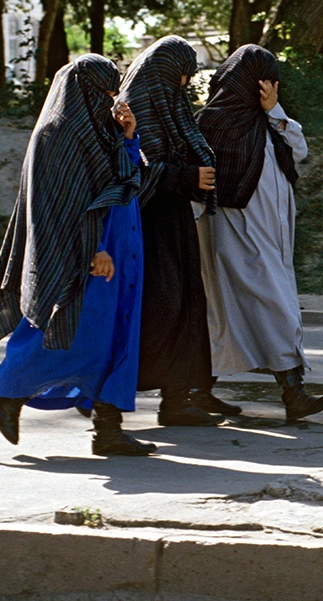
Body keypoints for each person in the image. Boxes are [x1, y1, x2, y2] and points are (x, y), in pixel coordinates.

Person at [0, 55, 155, 456]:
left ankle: (108, 429)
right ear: (84, 90)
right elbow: (55, 205)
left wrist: (129, 137)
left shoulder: (102, 130)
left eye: (114, 94)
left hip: (121, 245)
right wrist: (93, 248)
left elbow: (128, 178)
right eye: (106, 93)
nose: (112, 102)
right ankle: (9, 389)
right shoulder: (57, 134)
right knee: (67, 333)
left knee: (116, 336)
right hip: (84, 251)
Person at [193, 44, 323, 421]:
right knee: (266, 308)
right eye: (266, 81)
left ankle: (197, 392)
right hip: (234, 234)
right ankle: (292, 393)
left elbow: (298, 151)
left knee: (241, 312)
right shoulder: (211, 123)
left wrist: (275, 112)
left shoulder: (268, 123)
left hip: (270, 236)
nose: (272, 88)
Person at [118, 36, 222, 427]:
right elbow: (133, 172)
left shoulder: (169, 105)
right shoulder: (136, 107)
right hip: (144, 224)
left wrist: (194, 178)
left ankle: (177, 400)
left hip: (174, 219)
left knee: (185, 307)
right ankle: (109, 403)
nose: (185, 83)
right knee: (161, 309)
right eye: (181, 74)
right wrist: (186, 175)